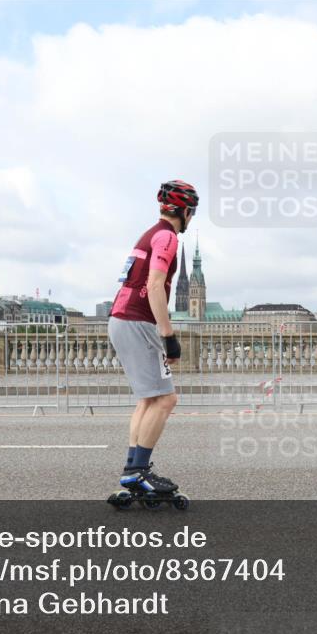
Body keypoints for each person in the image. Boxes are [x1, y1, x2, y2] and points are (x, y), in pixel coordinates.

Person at [106, 180, 197, 504]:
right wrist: (168, 336)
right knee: (166, 400)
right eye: (192, 212)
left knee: (148, 399)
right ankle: (139, 472)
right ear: (185, 211)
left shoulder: (148, 234)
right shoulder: (167, 237)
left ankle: (134, 468)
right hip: (138, 320)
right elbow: (155, 285)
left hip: (120, 318)